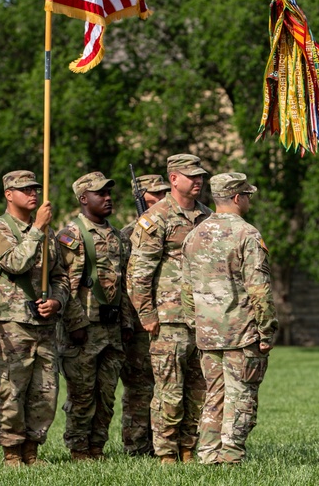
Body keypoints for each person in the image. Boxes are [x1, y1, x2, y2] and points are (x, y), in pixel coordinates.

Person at [182, 172, 277, 465]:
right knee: (242, 395)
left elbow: (186, 288)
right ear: (237, 198)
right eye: (247, 195)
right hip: (241, 331)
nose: (249, 200)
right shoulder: (247, 234)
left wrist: (193, 323)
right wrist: (267, 329)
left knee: (214, 394)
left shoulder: (193, 234)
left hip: (207, 333)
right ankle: (231, 454)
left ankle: (208, 453)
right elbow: (259, 289)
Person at [127, 154, 212, 464]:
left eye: (201, 175)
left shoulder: (207, 217)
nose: (198, 180)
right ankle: (165, 453)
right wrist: (146, 314)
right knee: (169, 391)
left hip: (203, 319)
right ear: (174, 179)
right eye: (192, 176)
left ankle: (189, 448)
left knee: (198, 390)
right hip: (169, 320)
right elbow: (138, 272)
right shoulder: (157, 218)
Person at [0, 170, 69, 467]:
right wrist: (37, 230)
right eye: (25, 189)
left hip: (44, 325)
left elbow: (60, 276)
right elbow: (15, 262)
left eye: (35, 188)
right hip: (11, 324)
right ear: (9, 194)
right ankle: (11, 453)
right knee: (11, 390)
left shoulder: (49, 234)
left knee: (45, 391)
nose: (33, 194)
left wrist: (57, 301)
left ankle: (32, 451)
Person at [57, 171, 133, 461]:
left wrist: (125, 322)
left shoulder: (116, 236)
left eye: (108, 192)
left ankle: (97, 447)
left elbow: (123, 283)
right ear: (83, 198)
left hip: (111, 329)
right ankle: (78, 449)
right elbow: (63, 283)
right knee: (82, 395)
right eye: (101, 193)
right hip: (83, 330)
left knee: (106, 395)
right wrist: (74, 322)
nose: (108, 197)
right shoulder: (70, 235)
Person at [118, 173, 169, 457]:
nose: (161, 199)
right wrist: (128, 321)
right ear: (140, 197)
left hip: (171, 317)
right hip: (138, 322)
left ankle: (167, 444)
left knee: (169, 385)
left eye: (164, 193)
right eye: (154, 195)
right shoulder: (127, 234)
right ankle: (137, 445)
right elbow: (125, 283)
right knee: (139, 386)